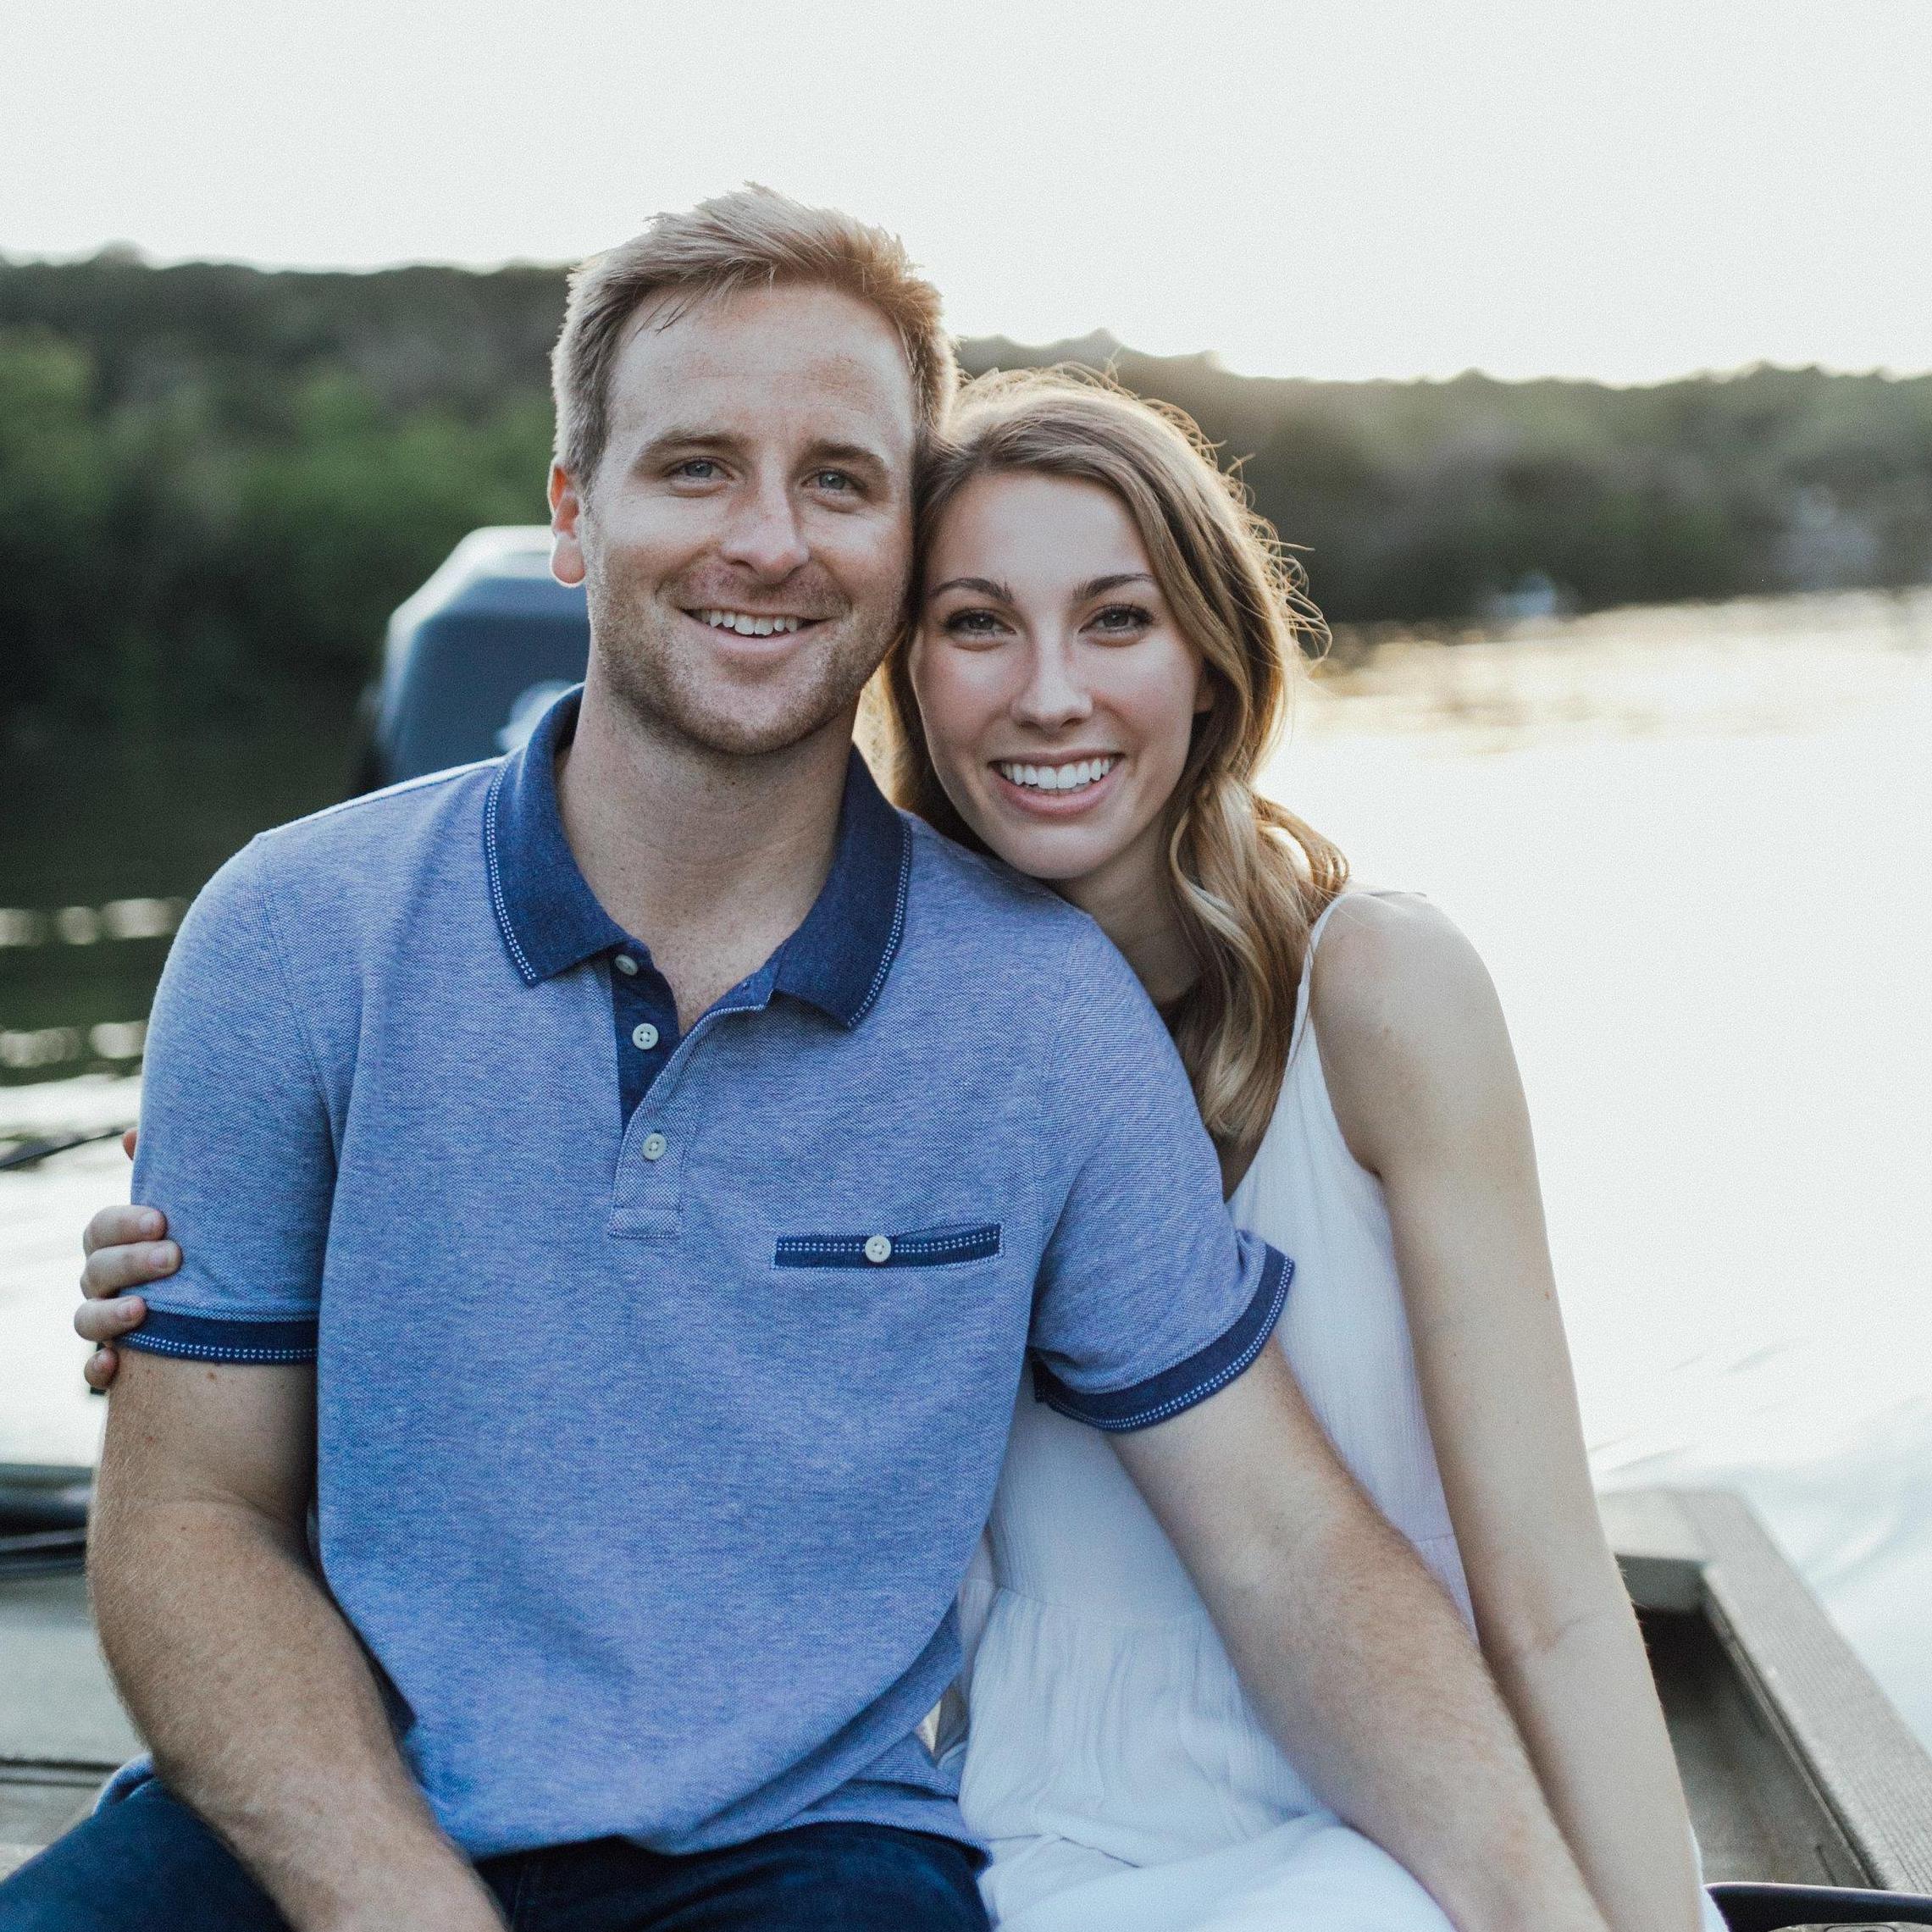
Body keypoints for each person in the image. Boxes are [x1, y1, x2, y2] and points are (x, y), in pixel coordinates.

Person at [5, 190, 1608, 1932]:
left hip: (804, 1853)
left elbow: (1284, 1545)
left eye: (837, 480)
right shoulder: (293, 934)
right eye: (696, 467)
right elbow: (190, 1519)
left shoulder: (1041, 1015)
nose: (767, 540)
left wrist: (1550, 1913)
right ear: (573, 514)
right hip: (319, 1817)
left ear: (902, 547)